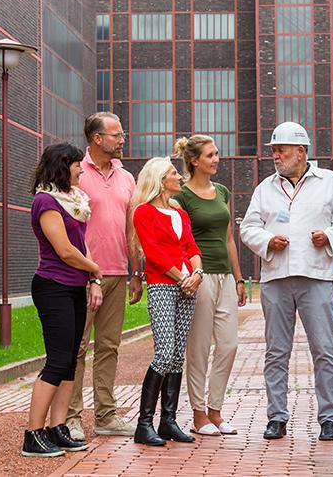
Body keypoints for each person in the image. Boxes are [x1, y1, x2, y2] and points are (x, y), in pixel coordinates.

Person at [240, 122, 333, 442]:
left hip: (316, 276)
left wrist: (328, 237)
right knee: (276, 351)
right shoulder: (265, 187)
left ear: (301, 151)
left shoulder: (329, 182)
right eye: (274, 151)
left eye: (281, 150)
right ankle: (276, 417)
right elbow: (248, 228)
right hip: (276, 277)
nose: (275, 156)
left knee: (324, 349)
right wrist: (266, 241)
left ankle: (330, 418)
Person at [65, 113, 141, 441]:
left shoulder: (127, 177)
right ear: (98, 139)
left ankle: (107, 416)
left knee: (109, 346)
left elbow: (132, 227)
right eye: (116, 135)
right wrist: (88, 270)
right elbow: (68, 226)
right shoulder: (75, 172)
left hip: (118, 272)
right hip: (82, 274)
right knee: (77, 347)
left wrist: (136, 272)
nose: (122, 139)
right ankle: (70, 418)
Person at [22, 143, 102, 457]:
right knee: (56, 362)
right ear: (63, 165)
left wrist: (93, 279)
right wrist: (95, 268)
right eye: (78, 165)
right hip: (52, 286)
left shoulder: (76, 201)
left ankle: (57, 428)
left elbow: (82, 245)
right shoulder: (45, 202)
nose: (82, 170)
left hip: (74, 286)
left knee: (70, 361)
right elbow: (66, 251)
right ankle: (33, 433)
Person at [171, 135, 247, 436]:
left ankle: (216, 411)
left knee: (229, 345)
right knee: (199, 348)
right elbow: (180, 242)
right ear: (194, 161)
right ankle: (199, 414)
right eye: (210, 155)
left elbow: (229, 238)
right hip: (198, 277)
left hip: (225, 276)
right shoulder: (182, 197)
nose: (216, 159)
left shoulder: (222, 191)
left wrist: (239, 278)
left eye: (216, 154)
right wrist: (188, 276)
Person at [130, 157, 204, 447]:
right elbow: (154, 253)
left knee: (177, 355)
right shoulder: (143, 213)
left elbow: (191, 247)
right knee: (163, 352)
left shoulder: (179, 212)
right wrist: (181, 277)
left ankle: (168, 421)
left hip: (188, 285)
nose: (179, 176)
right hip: (163, 285)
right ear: (160, 180)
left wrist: (197, 273)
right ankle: (144, 424)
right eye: (174, 173)